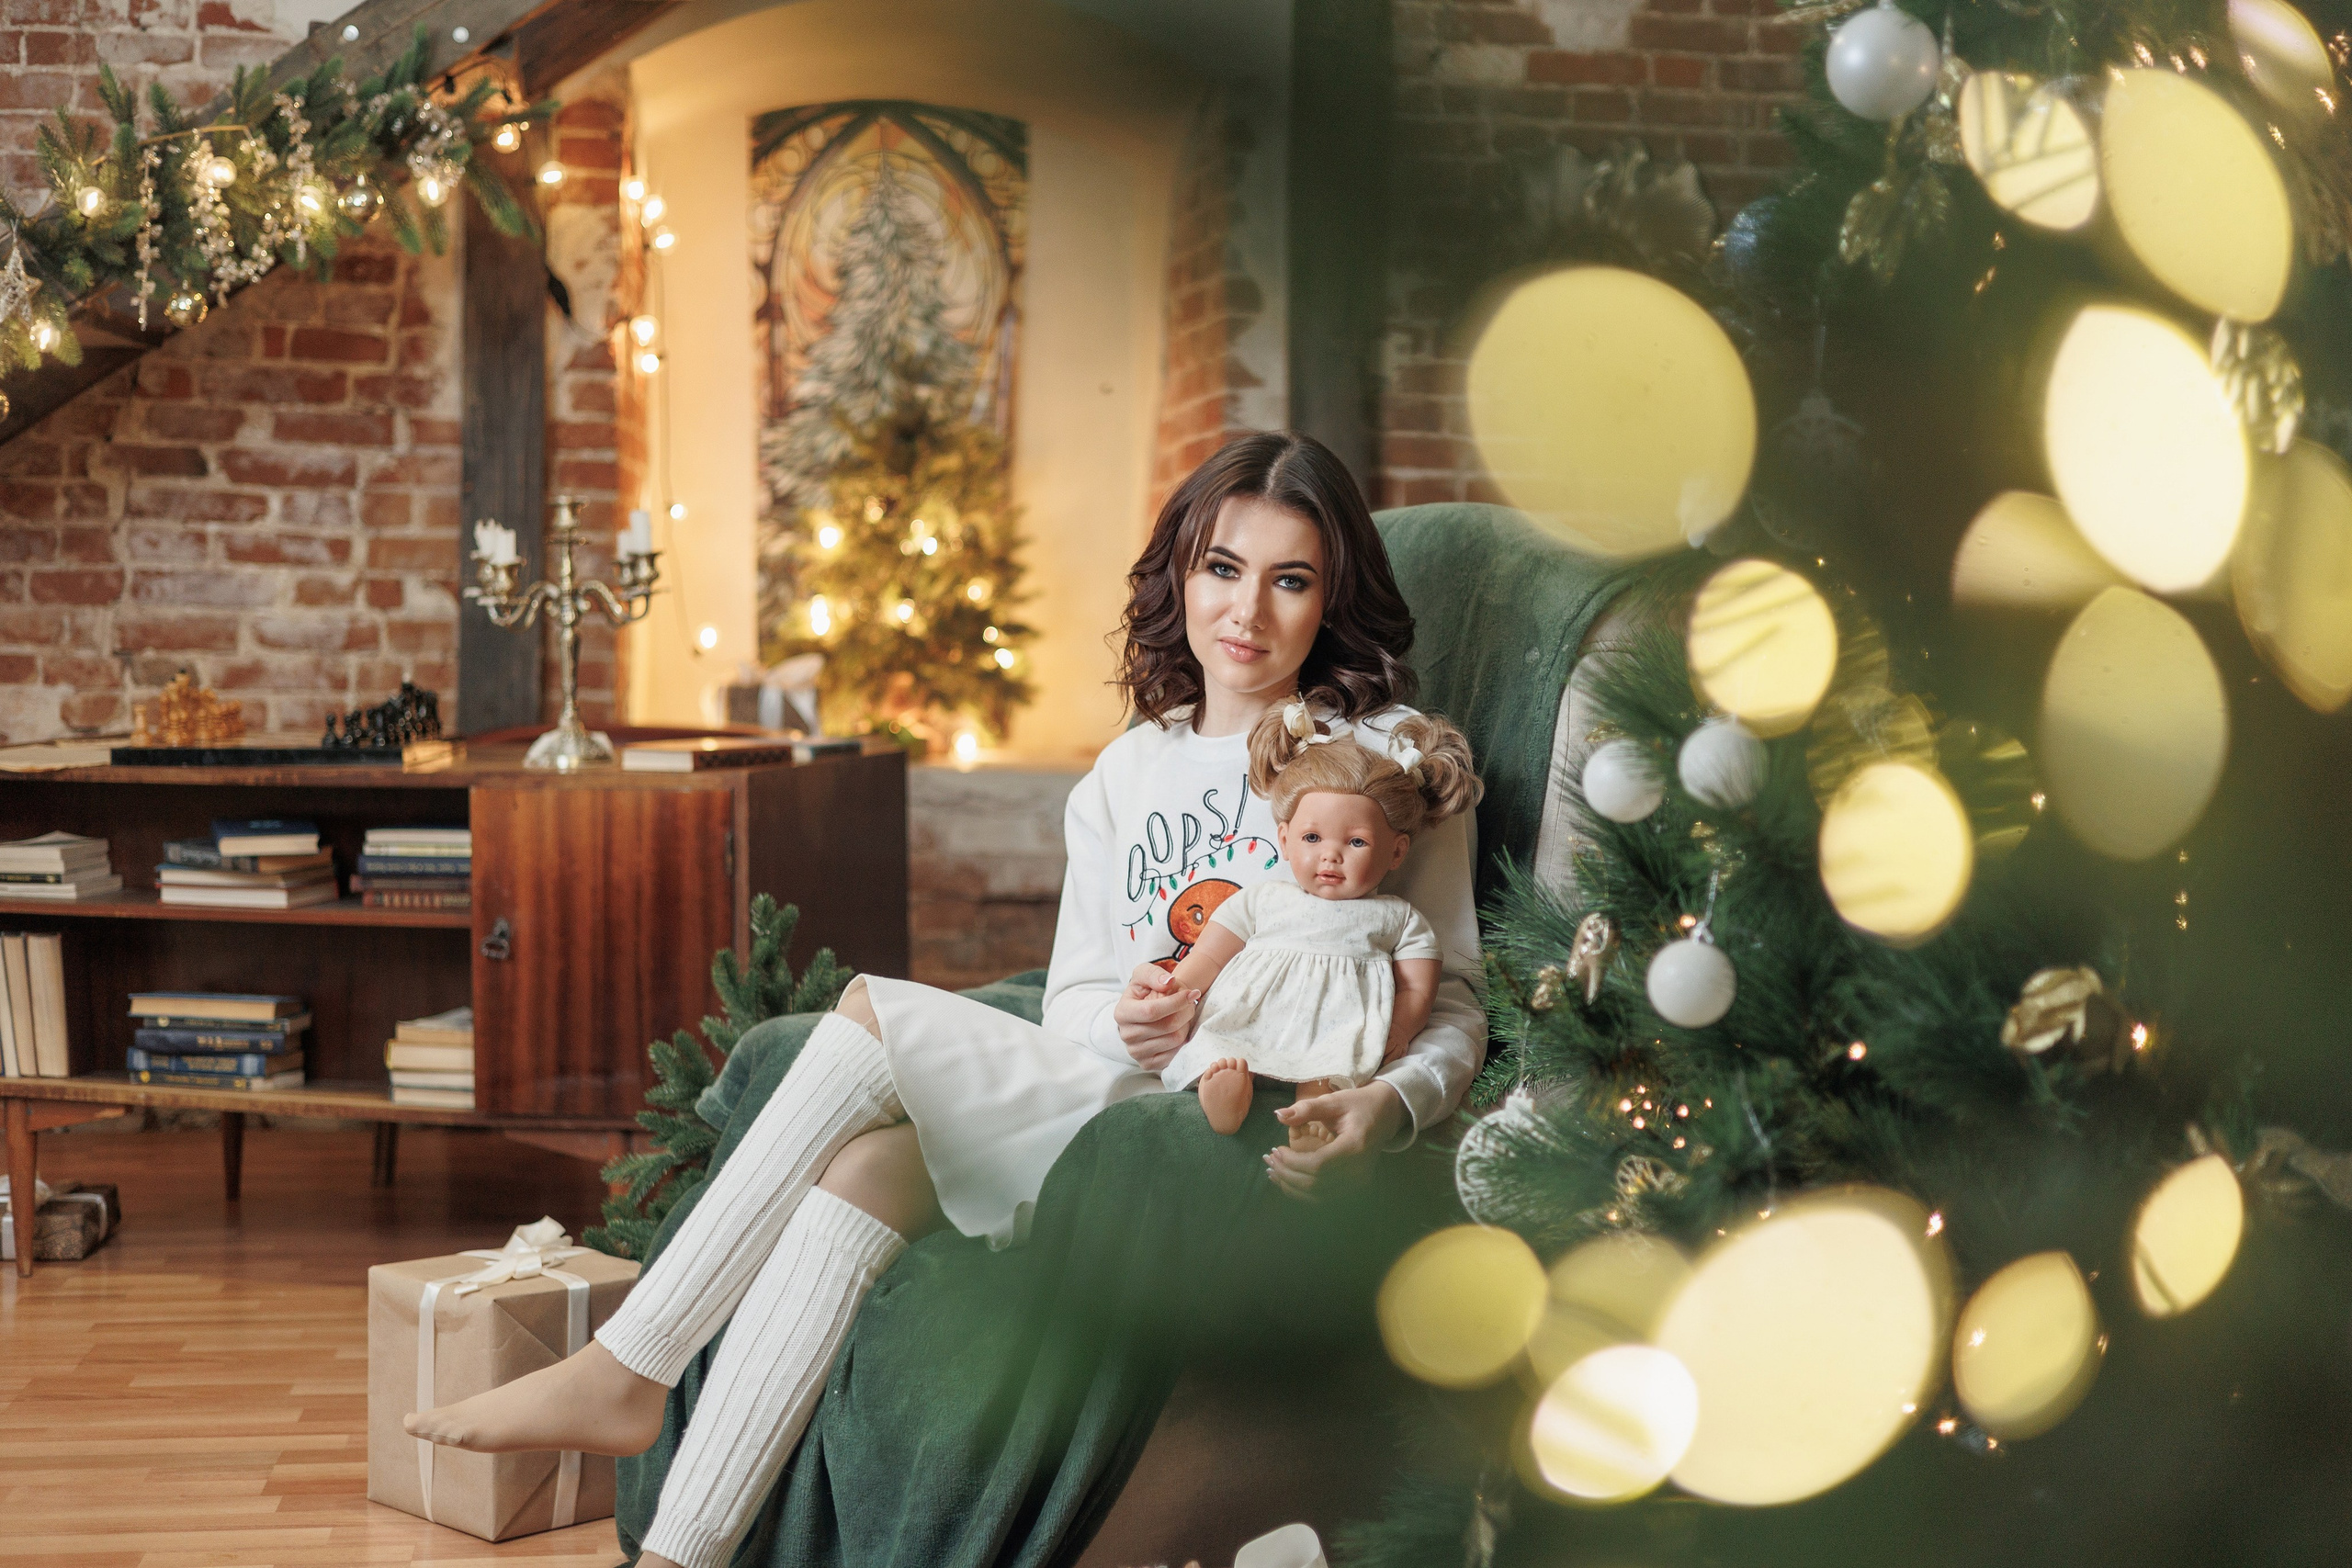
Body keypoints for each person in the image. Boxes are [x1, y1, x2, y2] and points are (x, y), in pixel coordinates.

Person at [403, 430, 1487, 1568]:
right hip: (1113, 1077)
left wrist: (1395, 1106)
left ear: (1333, 598)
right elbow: (1071, 996)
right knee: (859, 1167)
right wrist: (1126, 1017)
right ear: (1180, 572)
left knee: (871, 1008)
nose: (1248, 614)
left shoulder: (1383, 763)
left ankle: (635, 1362)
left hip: (1211, 1133)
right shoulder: (1131, 767)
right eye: (1223, 567)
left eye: (1291, 579)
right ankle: (677, 1555)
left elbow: (1452, 995)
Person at [1162, 705, 1483, 1144]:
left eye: (1356, 841)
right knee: (1220, 1044)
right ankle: (1225, 1091)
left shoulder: (1398, 917)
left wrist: (1402, 1028)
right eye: (1313, 838)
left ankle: (1313, 1113)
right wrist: (1176, 991)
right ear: (1285, 840)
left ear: (1396, 852)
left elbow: (1417, 987)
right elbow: (1212, 954)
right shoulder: (1263, 899)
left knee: (1334, 1068)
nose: (1331, 855)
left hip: (1339, 1024)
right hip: (1252, 1012)